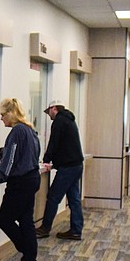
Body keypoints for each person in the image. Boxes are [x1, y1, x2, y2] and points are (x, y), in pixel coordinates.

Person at [0, 97, 42, 261]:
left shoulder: (17, 131)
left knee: (5, 219)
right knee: (26, 221)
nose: (1, 119)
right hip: (31, 179)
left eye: (2, 115)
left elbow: (10, 159)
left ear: (10, 114)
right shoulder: (30, 130)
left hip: (21, 183)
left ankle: (28, 252)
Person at [36, 100, 85, 241]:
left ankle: (45, 228)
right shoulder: (69, 120)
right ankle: (76, 230)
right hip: (76, 165)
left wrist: (46, 159)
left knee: (53, 197)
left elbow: (54, 143)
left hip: (68, 167)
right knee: (74, 198)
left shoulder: (59, 121)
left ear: (54, 108)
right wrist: (55, 164)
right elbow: (66, 146)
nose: (49, 115)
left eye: (49, 112)